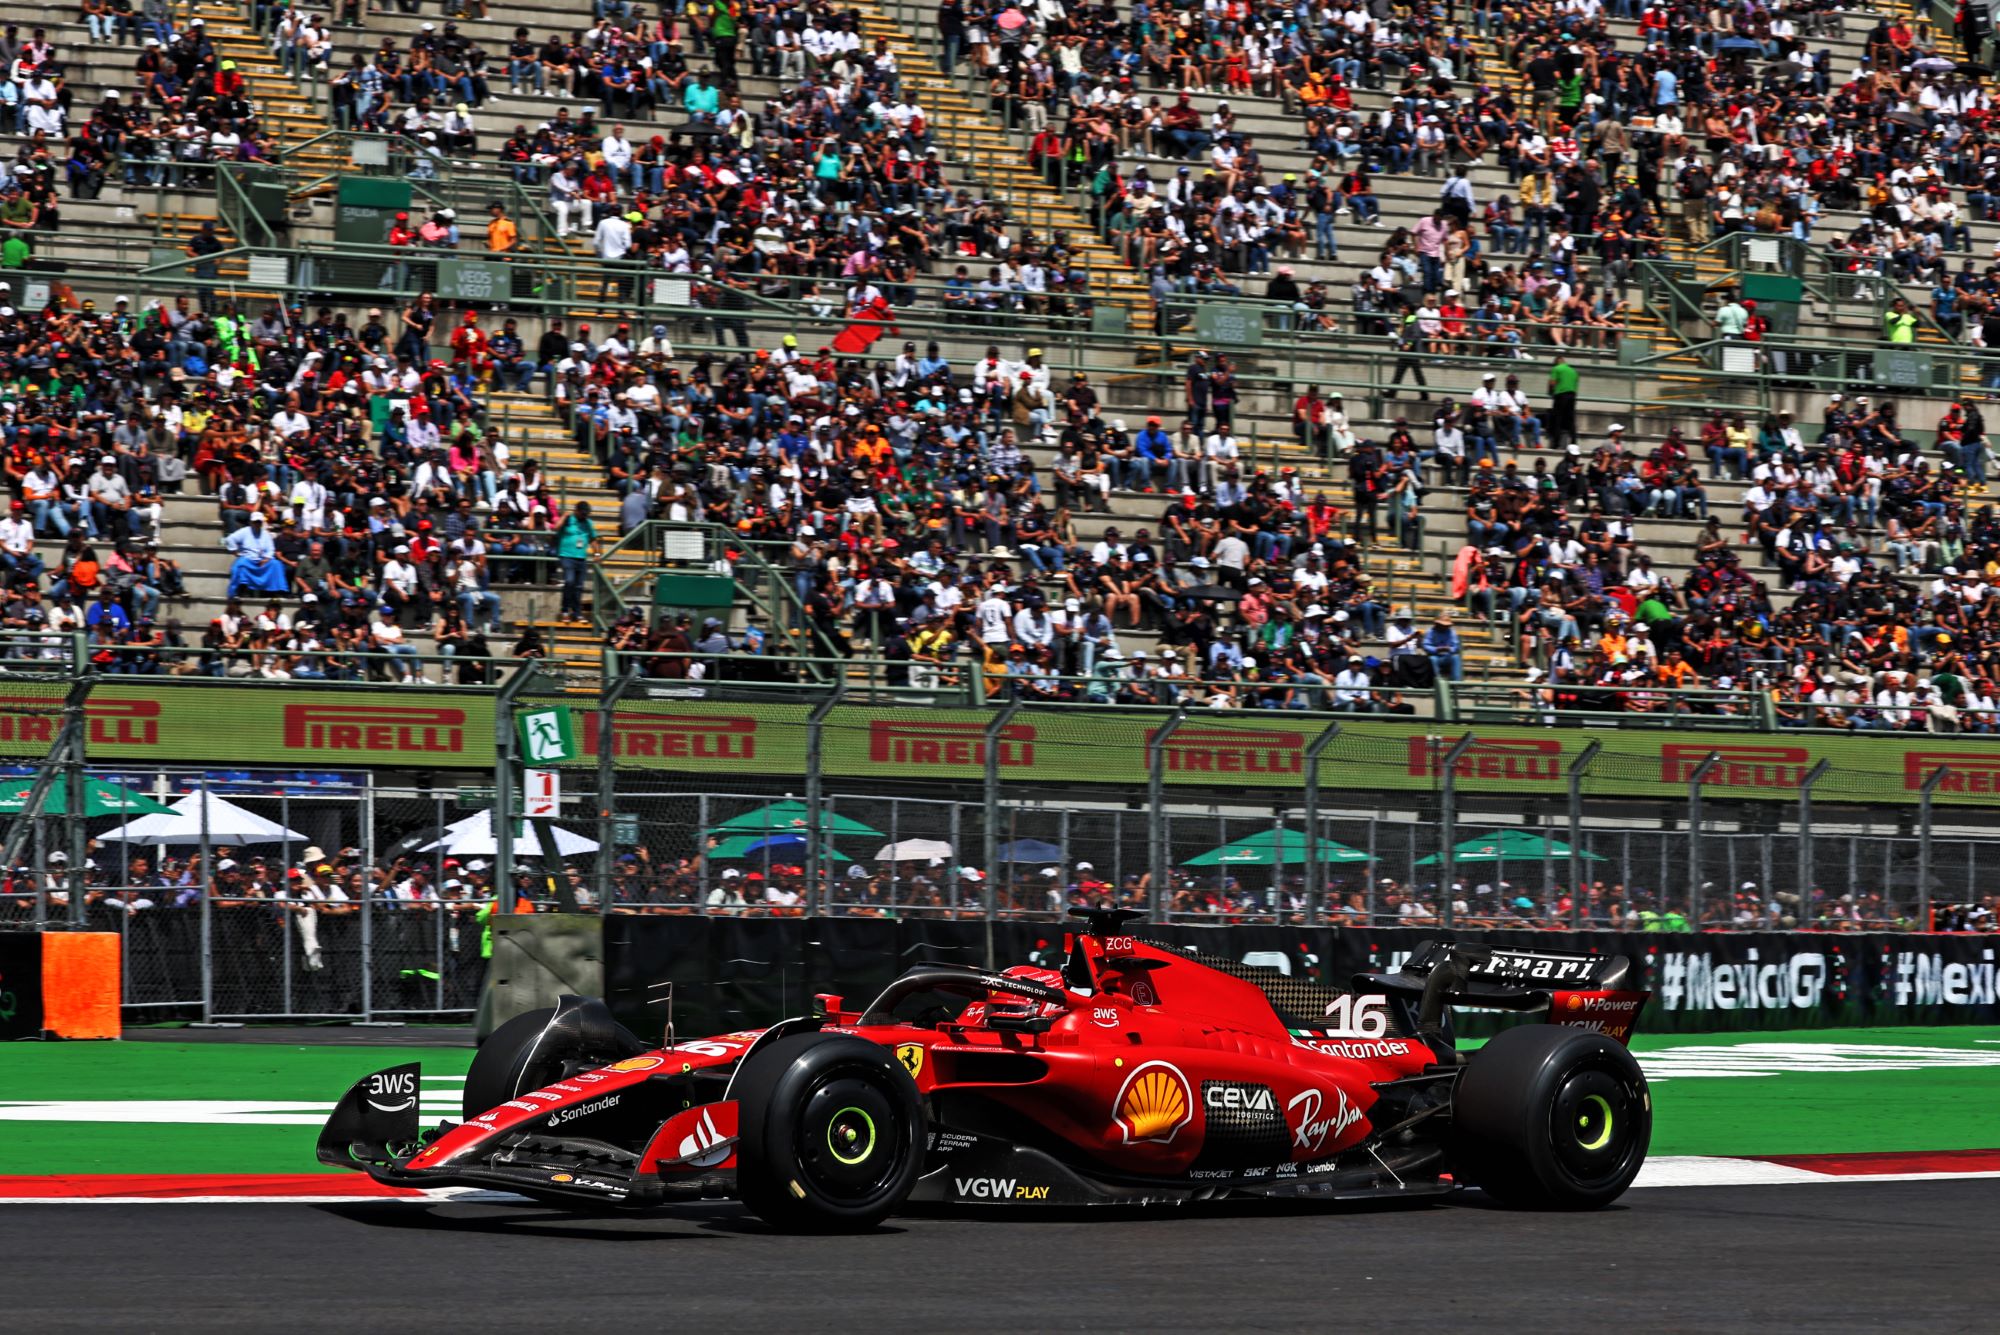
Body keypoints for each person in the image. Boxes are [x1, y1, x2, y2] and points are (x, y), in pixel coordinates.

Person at [555, 500, 597, 623]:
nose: (585, 515)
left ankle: (577, 613)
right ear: (576, 510)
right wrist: (564, 516)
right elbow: (556, 528)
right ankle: (565, 610)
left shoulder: (588, 523)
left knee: (579, 587)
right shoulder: (568, 520)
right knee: (569, 581)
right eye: (583, 513)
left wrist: (597, 554)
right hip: (567, 556)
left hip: (581, 558)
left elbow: (593, 540)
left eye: (586, 513)